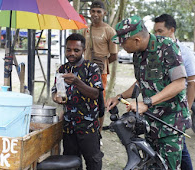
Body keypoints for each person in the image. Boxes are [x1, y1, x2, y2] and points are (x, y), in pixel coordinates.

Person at [107, 15, 191, 170]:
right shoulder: (138, 55)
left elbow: (179, 84)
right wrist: (119, 97)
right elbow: (141, 82)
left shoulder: (167, 47)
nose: (121, 47)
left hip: (170, 124)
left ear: (137, 39)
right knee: (151, 166)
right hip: (151, 124)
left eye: (123, 42)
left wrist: (147, 102)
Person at [52, 33, 104, 170]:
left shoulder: (91, 68)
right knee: (70, 163)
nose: (72, 53)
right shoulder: (62, 69)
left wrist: (77, 81)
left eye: (76, 50)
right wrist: (56, 97)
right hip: (69, 126)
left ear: (83, 51)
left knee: (93, 162)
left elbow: (95, 94)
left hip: (88, 127)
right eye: (69, 50)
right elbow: (55, 91)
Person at [154, 13, 195, 170]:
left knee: (180, 149)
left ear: (171, 30)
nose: (156, 35)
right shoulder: (156, 51)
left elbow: (191, 84)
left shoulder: (185, 53)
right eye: (155, 31)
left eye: (160, 31)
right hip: (159, 110)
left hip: (177, 113)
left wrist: (187, 111)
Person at [83, 0, 118, 132]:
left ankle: (98, 131)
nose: (95, 14)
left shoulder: (109, 31)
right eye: (93, 11)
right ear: (90, 12)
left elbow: (114, 55)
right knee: (84, 99)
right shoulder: (86, 29)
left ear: (104, 13)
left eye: (98, 11)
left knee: (99, 101)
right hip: (84, 70)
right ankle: (87, 126)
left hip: (100, 72)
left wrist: (101, 65)